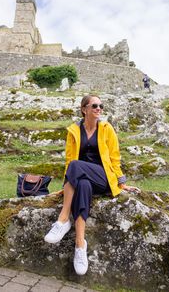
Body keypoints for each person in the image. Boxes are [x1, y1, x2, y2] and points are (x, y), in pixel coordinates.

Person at [44, 94, 141, 275]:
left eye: (101, 106)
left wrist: (121, 184)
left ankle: (63, 219)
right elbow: (68, 161)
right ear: (84, 109)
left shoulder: (106, 128)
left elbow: (115, 157)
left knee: (75, 166)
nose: (99, 109)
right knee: (82, 185)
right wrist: (66, 186)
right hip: (83, 178)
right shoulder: (73, 130)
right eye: (94, 105)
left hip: (103, 177)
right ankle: (80, 245)